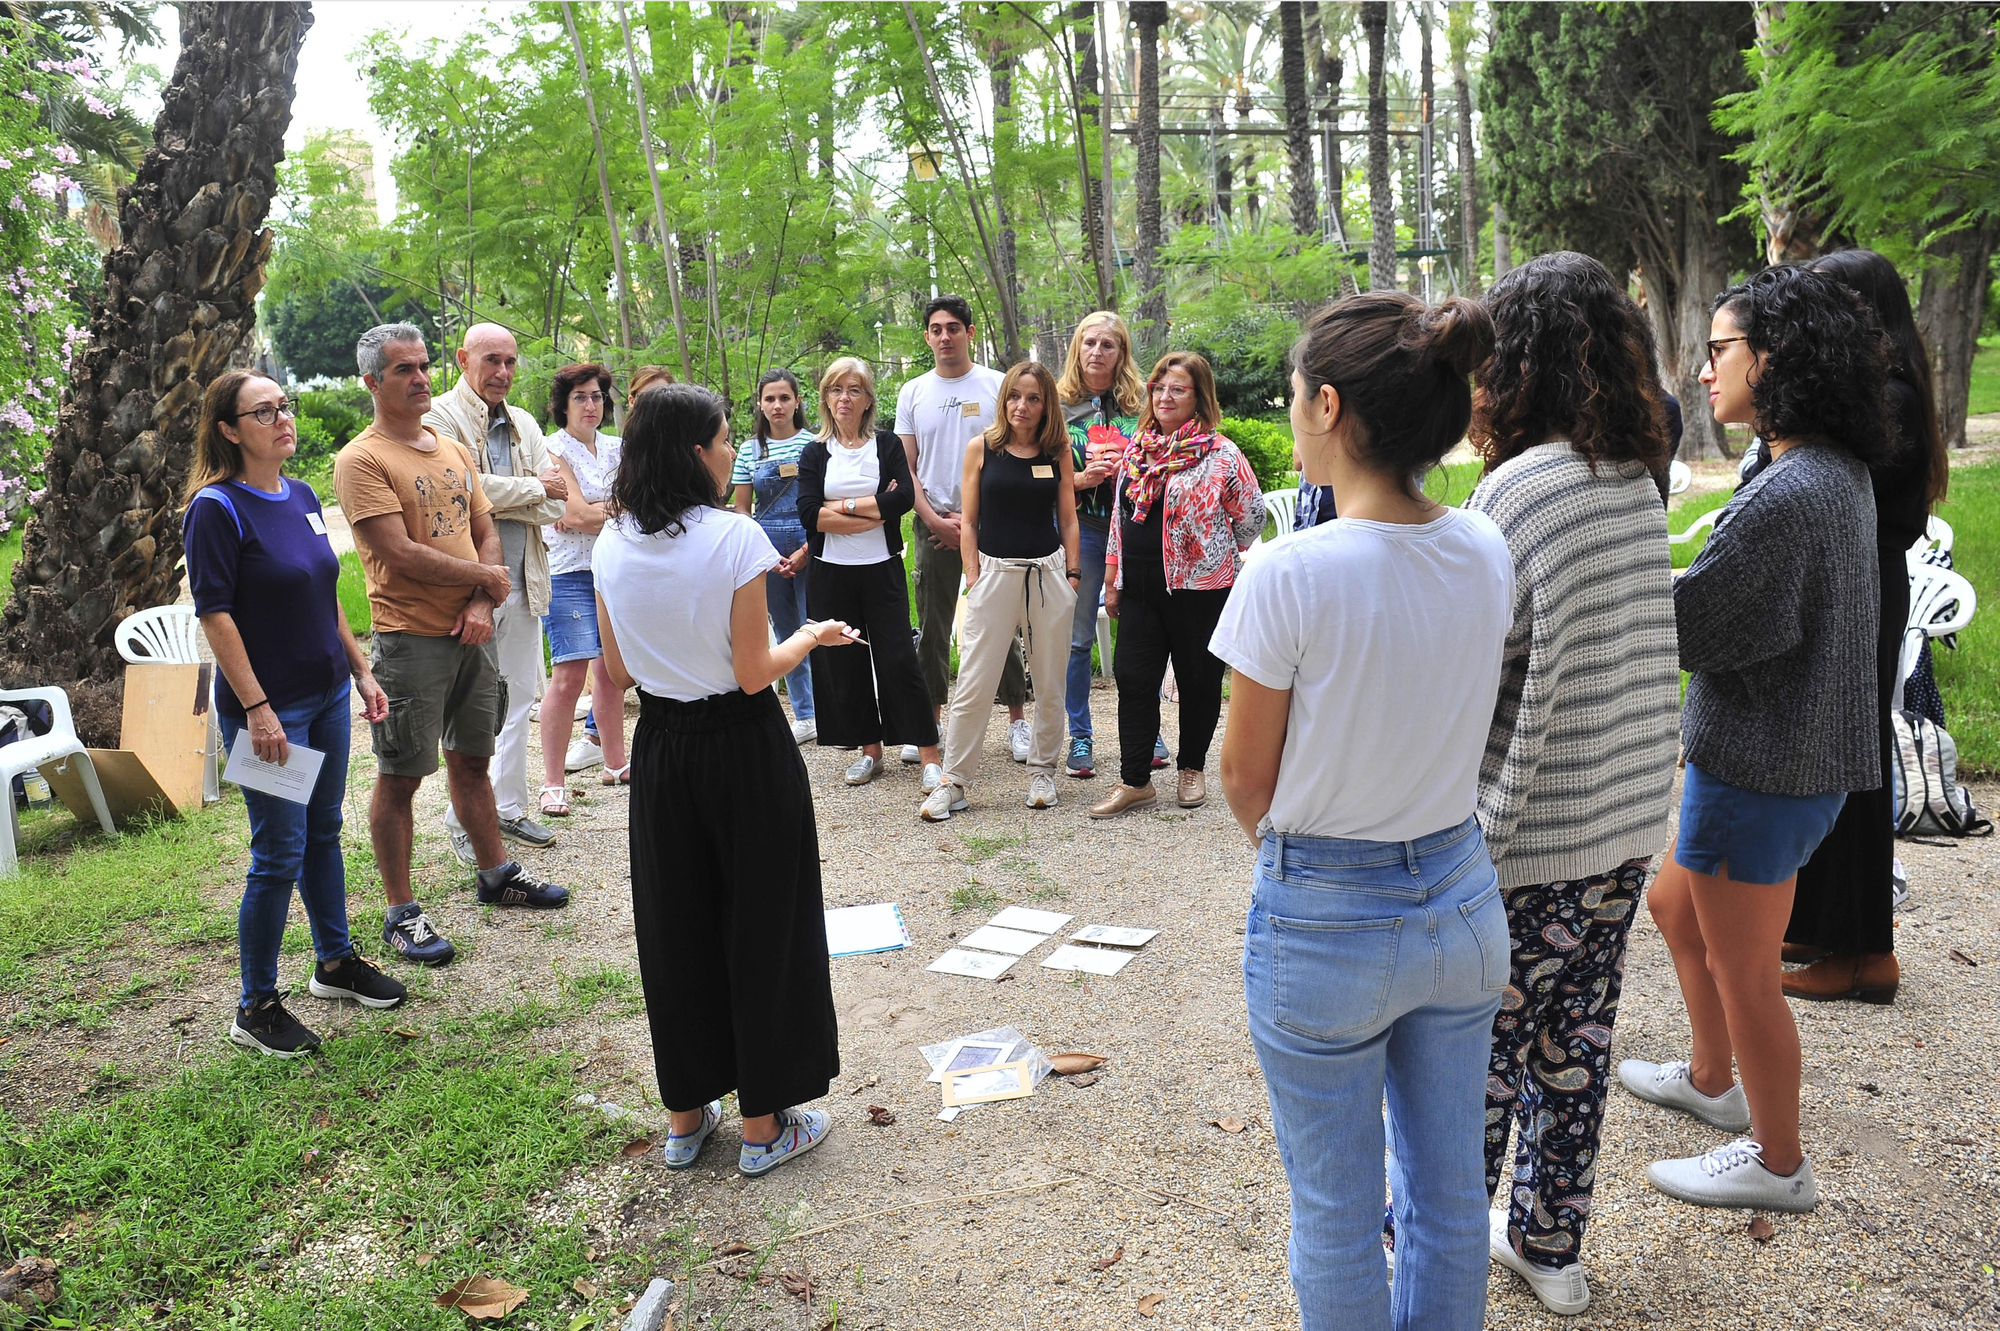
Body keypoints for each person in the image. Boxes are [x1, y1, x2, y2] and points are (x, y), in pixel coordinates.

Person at [1214, 292, 1512, 1331]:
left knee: (1336, 1215)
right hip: (1460, 896)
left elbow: (1243, 777)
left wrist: (1316, 874)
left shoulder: (1286, 570)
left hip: (1325, 915)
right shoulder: (1483, 547)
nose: (1292, 413)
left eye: (1294, 397)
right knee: (1444, 1197)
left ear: (1328, 406)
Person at [1619, 266, 1890, 1215]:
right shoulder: (1817, 464)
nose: (1703, 371)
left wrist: (1616, 566)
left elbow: (1697, 620)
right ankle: (1709, 1075)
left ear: (1772, 359)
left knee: (1747, 966)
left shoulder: (1791, 488)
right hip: (1784, 754)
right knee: (1674, 908)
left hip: (1765, 762)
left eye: (1719, 350)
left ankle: (1779, 1159)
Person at [1460, 253, 1681, 1315]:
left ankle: (1441, 1245)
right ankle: (1551, 1246)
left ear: (1513, 361)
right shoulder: (1630, 478)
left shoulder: (1515, 490)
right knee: (1574, 1043)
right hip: (1625, 814)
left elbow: (1479, 659)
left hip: (1530, 831)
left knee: (1479, 1058)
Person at [594, 380, 849, 1178]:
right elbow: (751, 673)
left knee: (677, 925)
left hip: (664, 745)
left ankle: (683, 1115)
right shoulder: (735, 538)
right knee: (764, 922)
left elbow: (615, 668)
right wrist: (807, 633)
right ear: (696, 451)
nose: (733, 449)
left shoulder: (612, 540)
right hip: (742, 745)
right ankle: (764, 1125)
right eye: (724, 438)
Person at [335, 323, 570, 969]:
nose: (419, 379)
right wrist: (485, 581)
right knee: (403, 774)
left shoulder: (449, 447)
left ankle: (496, 872)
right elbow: (396, 551)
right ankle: (401, 911)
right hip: (411, 638)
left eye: (422, 366)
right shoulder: (362, 458)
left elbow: (484, 528)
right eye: (403, 369)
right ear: (372, 382)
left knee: (473, 757)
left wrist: (479, 600)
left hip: (472, 629)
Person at [184, 371, 404, 1056]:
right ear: (228, 429)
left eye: (285, 405)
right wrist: (256, 708)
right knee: (277, 851)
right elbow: (215, 616)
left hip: (327, 695)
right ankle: (254, 1005)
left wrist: (360, 669)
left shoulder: (303, 495)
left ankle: (334, 962)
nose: (283, 418)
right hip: (268, 711)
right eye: (263, 411)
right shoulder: (217, 509)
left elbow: (324, 594)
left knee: (323, 831)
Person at [1780, 247, 1950, 1003]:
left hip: (1867, 583)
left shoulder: (1890, 397)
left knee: (1854, 761)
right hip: (1852, 579)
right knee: (1833, 753)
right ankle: (1820, 922)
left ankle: (1864, 952)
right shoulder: (1879, 391)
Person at [1090, 351, 1264, 819]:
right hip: (1141, 588)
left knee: (1199, 680)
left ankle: (1191, 768)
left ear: (1198, 397)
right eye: (1159, 388)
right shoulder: (1137, 451)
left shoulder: (1221, 454)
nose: (1165, 397)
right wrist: (1112, 577)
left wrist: (1207, 550)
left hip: (1202, 590)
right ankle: (1135, 780)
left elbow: (1250, 520)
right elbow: (1119, 521)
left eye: (1178, 389)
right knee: (1132, 678)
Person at [422, 322, 568, 863]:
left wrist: (504, 492)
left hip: (525, 578)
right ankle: (462, 821)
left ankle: (506, 806)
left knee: (519, 699)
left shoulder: (526, 421)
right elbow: (457, 492)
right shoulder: (439, 416)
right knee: (469, 707)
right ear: (463, 359)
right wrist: (530, 488)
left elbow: (560, 504)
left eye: (510, 361)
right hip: (468, 590)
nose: (502, 372)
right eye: (491, 360)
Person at [922, 361, 1081, 821]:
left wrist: (1072, 576)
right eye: (1015, 396)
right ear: (1003, 399)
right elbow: (968, 522)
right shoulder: (982, 449)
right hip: (993, 572)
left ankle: (1042, 772)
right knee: (974, 680)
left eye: (1033, 398)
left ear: (1046, 403)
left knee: (1050, 680)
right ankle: (954, 781)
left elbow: (1068, 519)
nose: (1022, 406)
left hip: (1048, 573)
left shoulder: (1058, 451)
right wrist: (973, 576)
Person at [896, 295, 1030, 765]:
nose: (945, 336)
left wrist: (976, 523)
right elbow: (905, 467)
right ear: (928, 336)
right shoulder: (912, 392)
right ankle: (930, 722)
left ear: (970, 333)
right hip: (934, 524)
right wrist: (934, 519)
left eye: (954, 327)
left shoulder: (997, 386)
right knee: (932, 627)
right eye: (936, 328)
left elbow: (1012, 452)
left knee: (1000, 620)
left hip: (993, 522)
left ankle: (1017, 719)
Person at [798, 358, 943, 787]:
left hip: (881, 570)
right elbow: (809, 514)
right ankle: (869, 749)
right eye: (837, 389)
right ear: (825, 398)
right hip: (830, 573)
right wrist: (869, 508)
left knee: (899, 659)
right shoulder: (814, 451)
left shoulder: (886, 446)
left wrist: (839, 508)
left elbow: (900, 501)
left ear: (867, 400)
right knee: (846, 662)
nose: (845, 397)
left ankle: (929, 753)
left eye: (854, 390)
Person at [569, 366, 675, 772]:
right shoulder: (623, 448)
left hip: (662, 555)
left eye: (665, 394)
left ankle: (602, 734)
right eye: (647, 397)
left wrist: (586, 511)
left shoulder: (685, 441)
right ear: (632, 402)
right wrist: (578, 511)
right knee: (610, 652)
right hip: (620, 557)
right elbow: (580, 510)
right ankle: (596, 736)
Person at [1055, 312, 1144, 781]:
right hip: (1085, 528)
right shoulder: (1057, 402)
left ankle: (1144, 731)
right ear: (1076, 348)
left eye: (1108, 344)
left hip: (1136, 529)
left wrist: (1129, 468)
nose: (1097, 352)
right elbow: (1035, 471)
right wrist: (1080, 479)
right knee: (1077, 638)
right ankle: (1081, 735)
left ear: (1121, 352)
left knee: (1140, 632)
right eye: (1089, 342)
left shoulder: (1143, 402)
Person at [536, 362, 628, 816]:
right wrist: (604, 507)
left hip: (614, 569)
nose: (591, 405)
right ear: (562, 405)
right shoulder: (551, 450)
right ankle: (552, 782)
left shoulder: (618, 447)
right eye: (581, 397)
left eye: (596, 397)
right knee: (570, 675)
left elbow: (637, 501)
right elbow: (575, 517)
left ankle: (616, 763)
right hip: (568, 571)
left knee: (610, 671)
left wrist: (594, 507)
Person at [731, 368, 819, 744]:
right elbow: (741, 511)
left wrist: (804, 551)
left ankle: (833, 710)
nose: (777, 405)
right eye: (770, 398)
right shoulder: (748, 451)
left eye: (784, 397)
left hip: (813, 544)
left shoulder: (815, 444)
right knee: (785, 632)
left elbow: (825, 505)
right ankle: (806, 714)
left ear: (797, 401)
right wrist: (766, 556)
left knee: (817, 627)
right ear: (760, 404)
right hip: (765, 553)